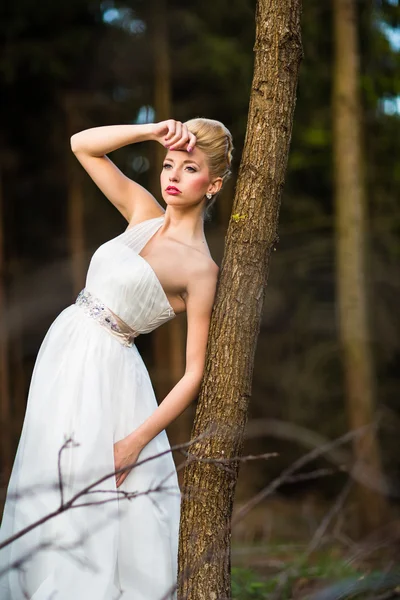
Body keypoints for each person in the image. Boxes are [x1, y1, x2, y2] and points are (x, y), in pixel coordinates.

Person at [0, 117, 234, 599]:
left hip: (108, 377)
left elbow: (195, 374)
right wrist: (151, 132)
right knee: (51, 475)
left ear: (212, 185)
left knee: (98, 500)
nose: (172, 175)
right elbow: (81, 146)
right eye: (169, 164)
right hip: (64, 357)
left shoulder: (201, 270)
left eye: (189, 168)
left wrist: (136, 441)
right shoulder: (143, 212)